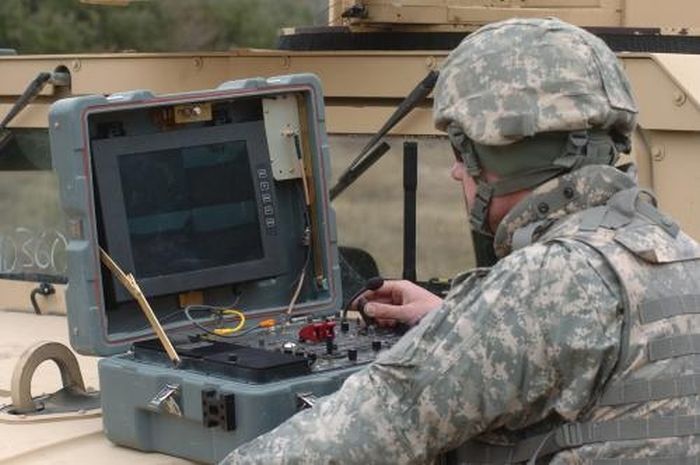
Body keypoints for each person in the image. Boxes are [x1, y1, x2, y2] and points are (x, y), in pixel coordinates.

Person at [222, 17, 700, 465]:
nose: (454, 170)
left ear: (501, 155)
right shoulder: (676, 250)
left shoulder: (541, 286)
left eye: (460, 149)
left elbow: (352, 436)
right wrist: (456, 318)